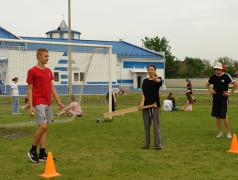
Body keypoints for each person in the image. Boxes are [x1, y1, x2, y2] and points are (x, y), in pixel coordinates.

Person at [27, 48, 64, 163]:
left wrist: (58, 101)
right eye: (46, 56)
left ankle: (42, 153)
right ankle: (32, 151)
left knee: (45, 128)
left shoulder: (48, 71)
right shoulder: (32, 71)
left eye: (48, 56)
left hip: (48, 102)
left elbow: (52, 87)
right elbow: (29, 89)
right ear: (39, 56)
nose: (48, 58)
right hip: (38, 101)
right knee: (43, 126)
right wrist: (31, 105)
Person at [206, 62, 237, 139]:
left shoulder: (226, 76)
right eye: (215, 70)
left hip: (223, 99)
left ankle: (228, 132)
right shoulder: (213, 77)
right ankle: (220, 132)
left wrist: (230, 93)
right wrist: (210, 90)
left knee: (224, 116)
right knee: (217, 116)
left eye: (217, 69)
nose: (216, 71)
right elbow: (207, 84)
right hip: (215, 98)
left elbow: (235, 84)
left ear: (221, 69)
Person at [139, 64, 163, 150]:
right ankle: (146, 144)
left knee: (156, 125)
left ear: (155, 70)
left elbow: (158, 81)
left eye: (152, 69)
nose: (150, 71)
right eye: (149, 69)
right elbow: (144, 94)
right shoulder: (145, 81)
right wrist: (142, 104)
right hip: (146, 106)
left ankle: (158, 145)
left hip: (155, 105)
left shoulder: (158, 79)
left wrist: (155, 78)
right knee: (146, 125)